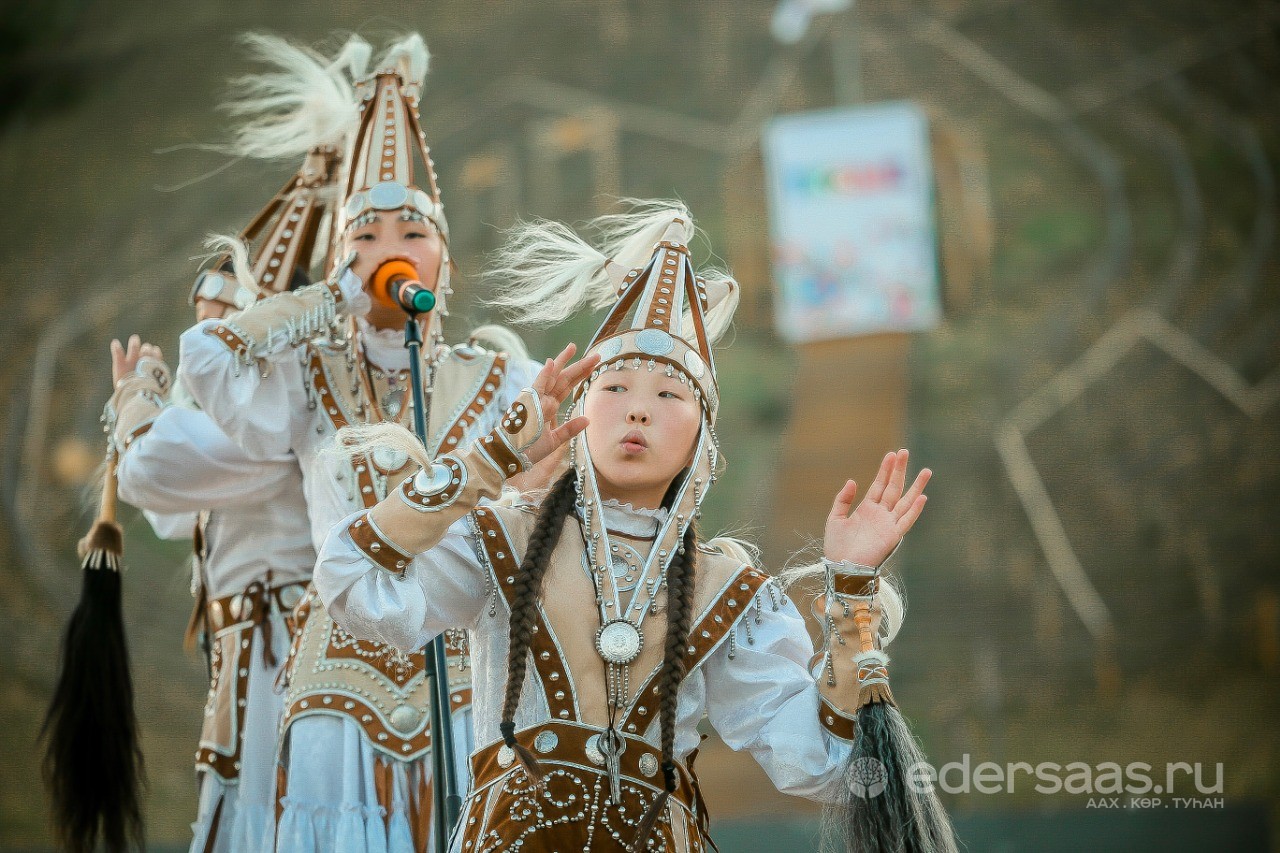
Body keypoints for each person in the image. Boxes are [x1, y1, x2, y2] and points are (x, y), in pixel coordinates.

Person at [311, 203, 955, 851]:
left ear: (703, 437)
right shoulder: (500, 539)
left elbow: (823, 765)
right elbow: (354, 584)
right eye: (614, 388)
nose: (638, 411)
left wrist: (851, 589)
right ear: (582, 414)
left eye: (668, 396)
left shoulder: (725, 588)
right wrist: (487, 463)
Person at [177, 33, 538, 851]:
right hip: (340, 672)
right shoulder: (307, 377)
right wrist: (328, 297)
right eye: (364, 236)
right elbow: (207, 359)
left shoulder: (502, 377)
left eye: (411, 231)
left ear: (444, 260)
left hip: (471, 668)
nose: (388, 250)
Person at [107, 142, 342, 852]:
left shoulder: (273, 410)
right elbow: (169, 513)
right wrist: (142, 410)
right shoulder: (230, 421)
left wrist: (137, 404)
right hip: (250, 649)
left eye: (223, 315)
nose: (203, 332)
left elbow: (148, 473)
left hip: (284, 647)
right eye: (202, 310)